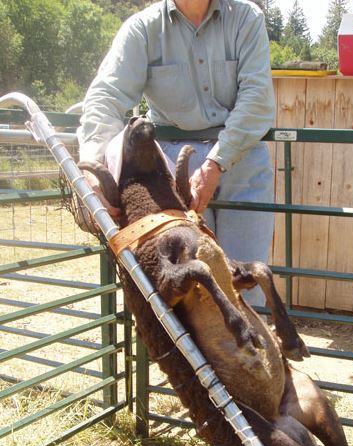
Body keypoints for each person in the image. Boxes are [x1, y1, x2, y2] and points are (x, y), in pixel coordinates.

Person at [77, 0, 276, 306]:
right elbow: (107, 97)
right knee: (189, 297)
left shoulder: (246, 18)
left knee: (248, 286)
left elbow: (257, 99)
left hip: (243, 164)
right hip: (173, 176)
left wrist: (215, 163)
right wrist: (91, 166)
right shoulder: (142, 28)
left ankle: (252, 348)